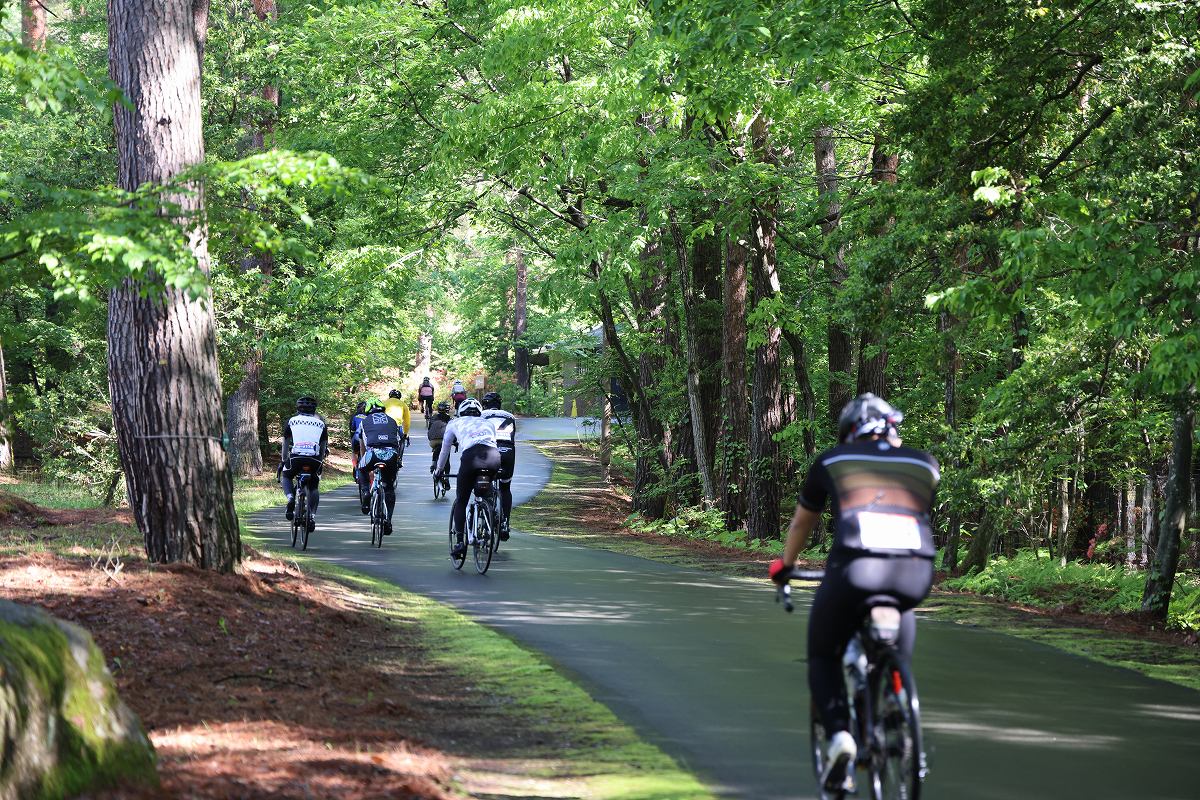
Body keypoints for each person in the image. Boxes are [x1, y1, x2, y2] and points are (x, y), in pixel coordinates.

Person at [768, 393, 939, 795]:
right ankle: (895, 700)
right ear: (893, 430)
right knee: (895, 641)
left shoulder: (832, 460)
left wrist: (786, 567)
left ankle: (840, 737)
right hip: (914, 575)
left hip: (854, 572)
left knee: (824, 653)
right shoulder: (925, 463)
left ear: (848, 433)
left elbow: (801, 525)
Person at [433, 397, 499, 558]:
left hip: (471, 457)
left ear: (459, 412)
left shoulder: (454, 423)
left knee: (461, 500)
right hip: (493, 457)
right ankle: (492, 515)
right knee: (486, 490)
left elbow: (445, 449)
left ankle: (460, 542)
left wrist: (439, 470)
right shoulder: (488, 423)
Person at [280, 395, 328, 532]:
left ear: (298, 408)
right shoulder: (321, 423)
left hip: (296, 458)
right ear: (314, 409)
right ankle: (312, 516)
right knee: (313, 486)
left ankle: (290, 498)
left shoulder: (292, 421)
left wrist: (284, 460)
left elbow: (286, 442)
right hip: (314, 459)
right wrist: (320, 460)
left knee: (287, 476)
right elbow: (323, 446)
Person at [357, 401, 402, 534]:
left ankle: (365, 492)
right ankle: (388, 520)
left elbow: (362, 444)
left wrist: (364, 459)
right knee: (389, 487)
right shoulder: (393, 421)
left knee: (361, 468)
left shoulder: (364, 422)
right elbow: (398, 441)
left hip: (373, 454)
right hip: (391, 456)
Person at [481, 391, 516, 540]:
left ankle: (487, 519)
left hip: (489, 451)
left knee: (485, 481)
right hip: (508, 451)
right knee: (505, 487)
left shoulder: (481, 415)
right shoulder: (510, 416)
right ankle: (505, 523)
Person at [427, 400, 453, 492]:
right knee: (447, 458)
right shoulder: (449, 419)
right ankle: (447, 479)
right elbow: (452, 432)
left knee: (436, 449)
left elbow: (430, 430)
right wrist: (455, 442)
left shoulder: (433, 417)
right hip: (444, 441)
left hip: (433, 441)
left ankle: (433, 464)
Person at [349, 400, 369, 511]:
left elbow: (352, 430)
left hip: (356, 438)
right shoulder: (370, 417)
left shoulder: (355, 416)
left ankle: (355, 467)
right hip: (368, 440)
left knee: (354, 452)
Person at [382, 389, 411, 466]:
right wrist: (405, 433)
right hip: (397, 426)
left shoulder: (384, 403)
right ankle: (399, 459)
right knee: (402, 441)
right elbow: (407, 421)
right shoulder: (403, 404)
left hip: (384, 425)